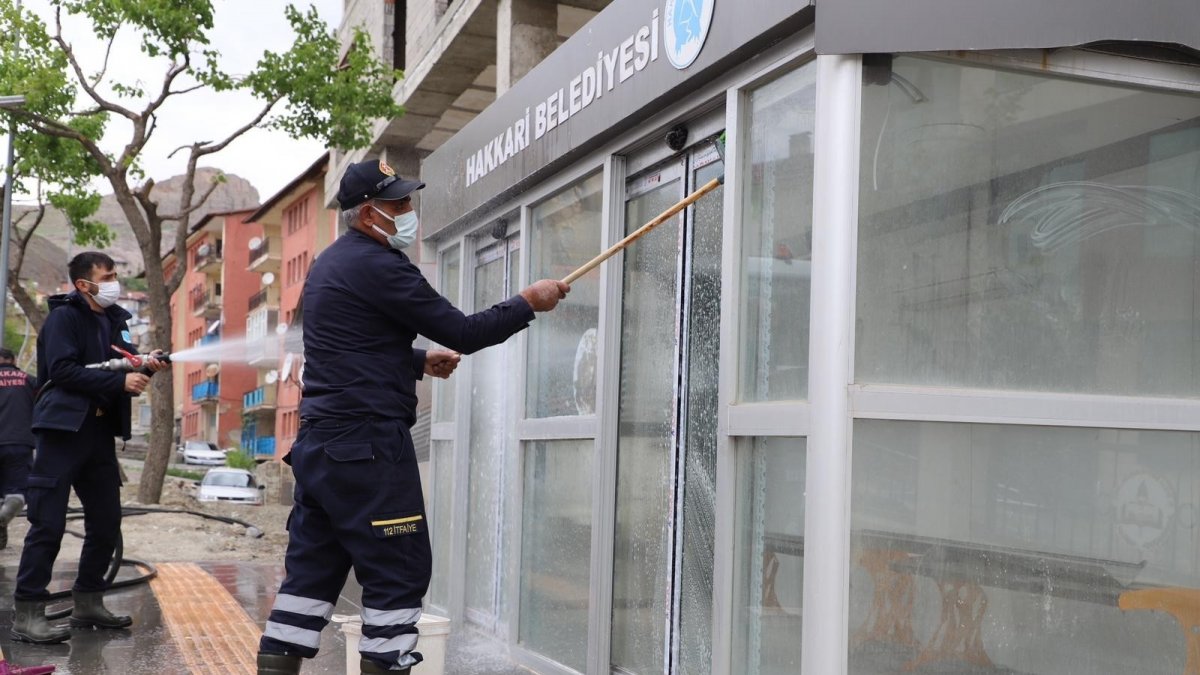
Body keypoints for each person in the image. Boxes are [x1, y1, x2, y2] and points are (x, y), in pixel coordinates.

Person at [256, 159, 570, 675]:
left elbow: (347, 345)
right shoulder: (380, 266)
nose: (409, 212)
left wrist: (417, 360)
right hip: (368, 448)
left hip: (320, 448)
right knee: (396, 573)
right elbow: (465, 331)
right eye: (398, 203)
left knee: (309, 578)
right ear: (366, 214)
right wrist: (528, 303)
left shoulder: (331, 265)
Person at [10, 252, 167, 644]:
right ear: (84, 284)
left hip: (98, 433)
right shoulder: (65, 318)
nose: (116, 282)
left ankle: (88, 601)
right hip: (62, 429)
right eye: (109, 276)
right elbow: (61, 370)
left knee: (106, 521)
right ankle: (28, 613)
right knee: (48, 522)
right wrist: (119, 384)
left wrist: (146, 366)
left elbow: (124, 366)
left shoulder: (116, 321)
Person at [0, 347, 36, 549]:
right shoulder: (28, 380)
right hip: (19, 442)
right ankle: (3, 518)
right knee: (16, 492)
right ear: (13, 359)